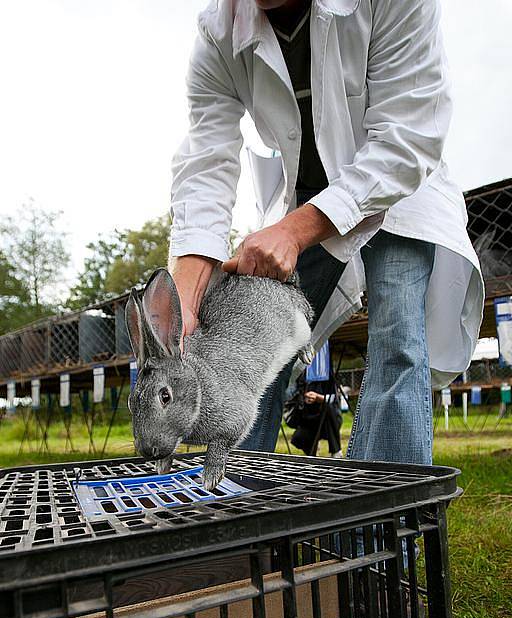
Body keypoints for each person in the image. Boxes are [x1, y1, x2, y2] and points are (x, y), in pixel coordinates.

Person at [168, 0, 483, 466]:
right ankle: (229, 499)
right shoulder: (219, 30)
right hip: (304, 198)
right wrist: (183, 302)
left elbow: (409, 135)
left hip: (398, 190)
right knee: (250, 338)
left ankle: (385, 522)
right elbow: (205, 162)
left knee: (398, 341)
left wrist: (294, 232)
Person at [286, 372, 343, 457]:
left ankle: (336, 451)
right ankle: (313, 453)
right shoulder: (300, 377)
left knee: (329, 407)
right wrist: (302, 399)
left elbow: (334, 399)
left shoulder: (327, 373)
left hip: (328, 422)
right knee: (298, 438)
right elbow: (290, 398)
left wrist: (318, 397)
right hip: (308, 421)